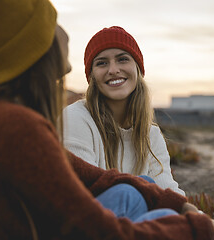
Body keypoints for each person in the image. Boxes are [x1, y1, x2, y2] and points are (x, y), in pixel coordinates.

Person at [0, 0, 214, 239]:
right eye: (54, 21)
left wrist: (176, 204)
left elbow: (91, 175)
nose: (64, 32)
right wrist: (194, 230)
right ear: (37, 42)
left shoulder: (2, 115)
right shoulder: (14, 126)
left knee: (135, 189)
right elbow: (97, 229)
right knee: (136, 195)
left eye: (122, 59)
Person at [63, 26, 185, 195]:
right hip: (89, 216)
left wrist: (195, 217)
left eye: (122, 59)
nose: (113, 70)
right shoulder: (74, 118)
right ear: (92, 77)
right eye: (102, 63)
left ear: (137, 69)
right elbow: (81, 192)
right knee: (134, 191)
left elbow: (168, 190)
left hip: (135, 218)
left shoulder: (151, 135)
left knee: (153, 190)